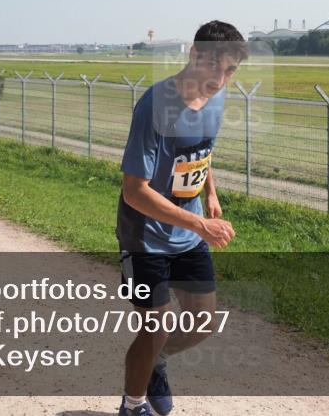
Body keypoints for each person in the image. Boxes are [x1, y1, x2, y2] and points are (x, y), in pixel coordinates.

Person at [116, 21, 247, 416]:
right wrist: (200, 225)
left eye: (230, 71)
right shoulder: (155, 107)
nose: (221, 80)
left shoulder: (215, 100)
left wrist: (209, 193)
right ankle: (133, 404)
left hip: (187, 234)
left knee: (203, 322)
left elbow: (201, 151)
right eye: (214, 67)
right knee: (154, 325)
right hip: (146, 237)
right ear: (194, 56)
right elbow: (134, 191)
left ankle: (154, 364)